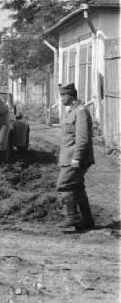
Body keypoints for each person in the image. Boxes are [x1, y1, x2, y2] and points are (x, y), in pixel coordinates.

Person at [56, 82, 95, 230]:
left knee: (64, 185)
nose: (61, 99)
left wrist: (76, 158)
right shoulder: (72, 111)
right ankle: (88, 221)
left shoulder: (80, 112)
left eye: (62, 96)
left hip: (76, 158)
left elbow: (82, 139)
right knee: (77, 188)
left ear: (70, 96)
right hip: (69, 157)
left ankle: (71, 216)